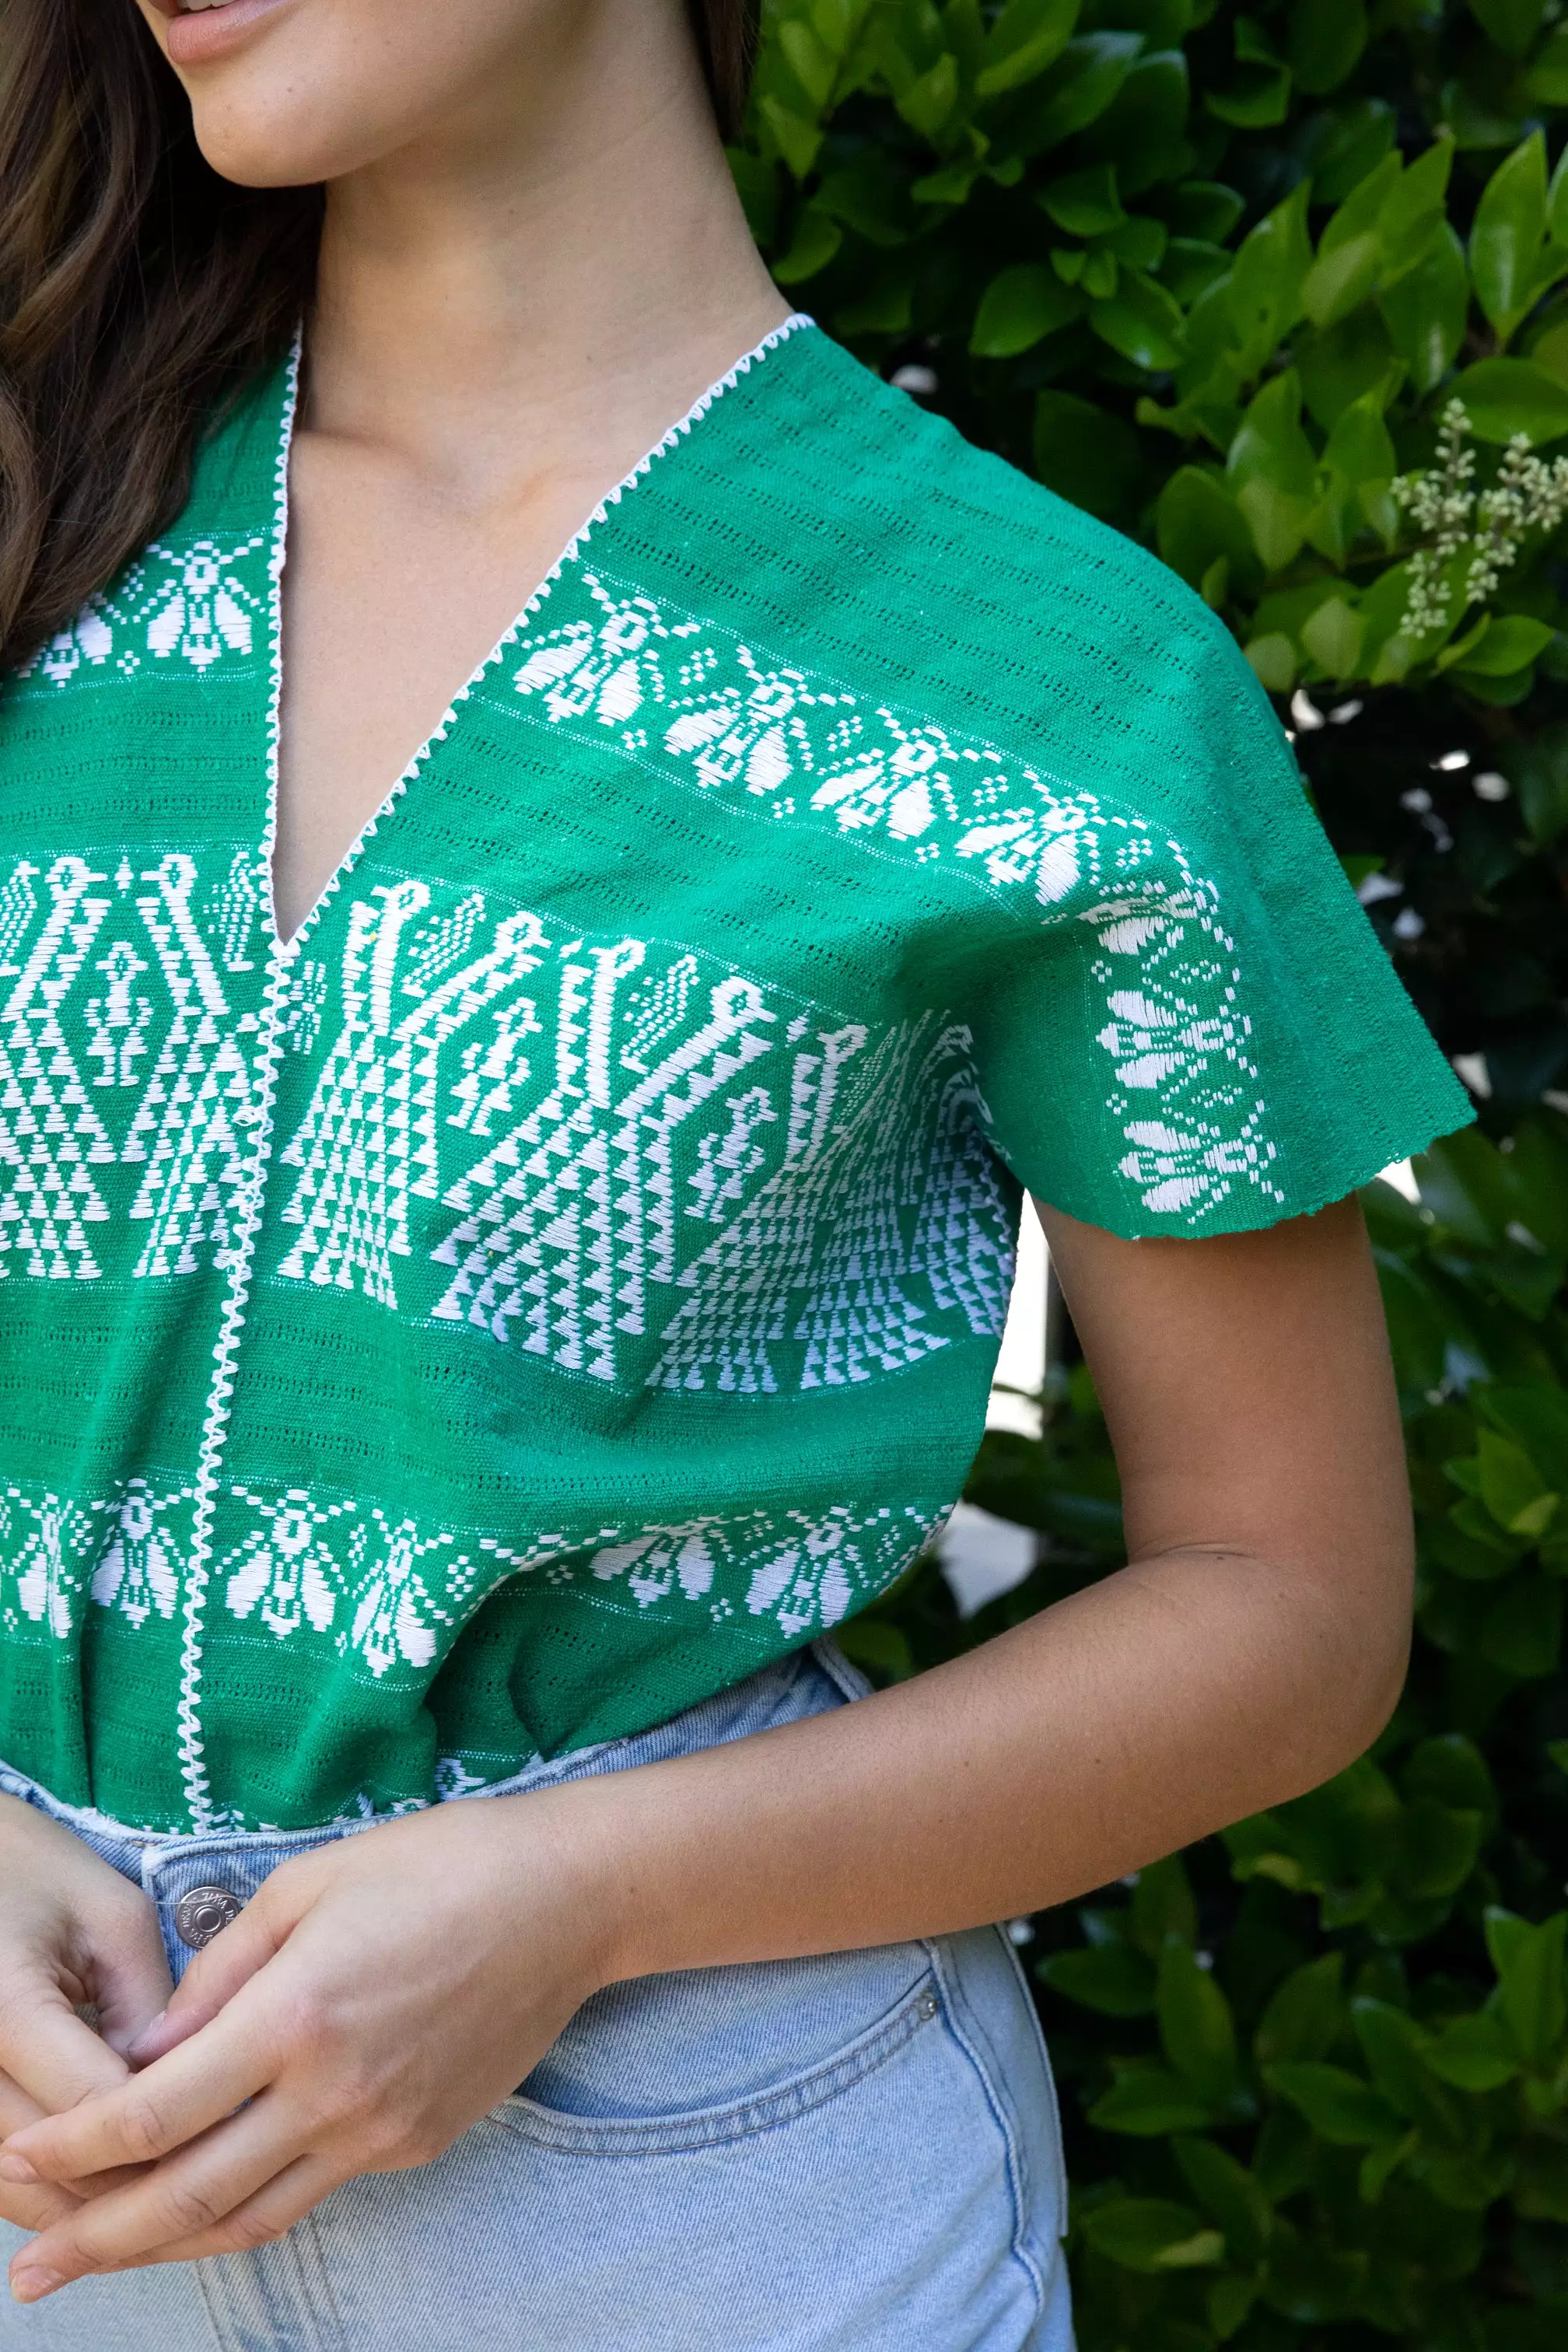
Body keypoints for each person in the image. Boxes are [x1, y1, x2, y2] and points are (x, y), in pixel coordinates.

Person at [0, 2, 1470, 2345]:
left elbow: (1284, 1604)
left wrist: (572, 1899)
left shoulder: (1054, 686)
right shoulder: (39, 527)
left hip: (698, 2192)